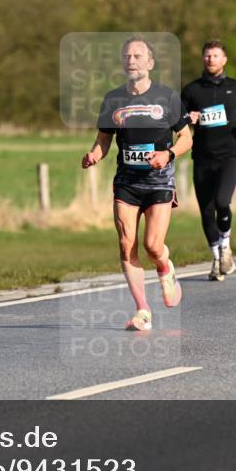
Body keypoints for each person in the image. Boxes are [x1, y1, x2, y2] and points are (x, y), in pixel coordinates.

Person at [81, 37, 192, 331]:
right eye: (127, 56)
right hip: (127, 182)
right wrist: (94, 155)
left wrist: (167, 154)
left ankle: (165, 266)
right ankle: (142, 309)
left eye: (138, 56)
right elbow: (103, 140)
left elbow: (187, 138)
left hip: (158, 182)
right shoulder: (112, 100)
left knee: (153, 245)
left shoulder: (168, 97)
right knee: (126, 243)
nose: (131, 60)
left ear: (150, 63)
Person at [181, 40, 236, 281]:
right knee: (206, 210)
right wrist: (187, 118)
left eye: (215, 55)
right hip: (202, 157)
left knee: (222, 202)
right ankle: (217, 259)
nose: (210, 59)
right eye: (207, 56)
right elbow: (178, 119)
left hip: (228, 156)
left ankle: (225, 245)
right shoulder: (192, 90)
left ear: (224, 60)